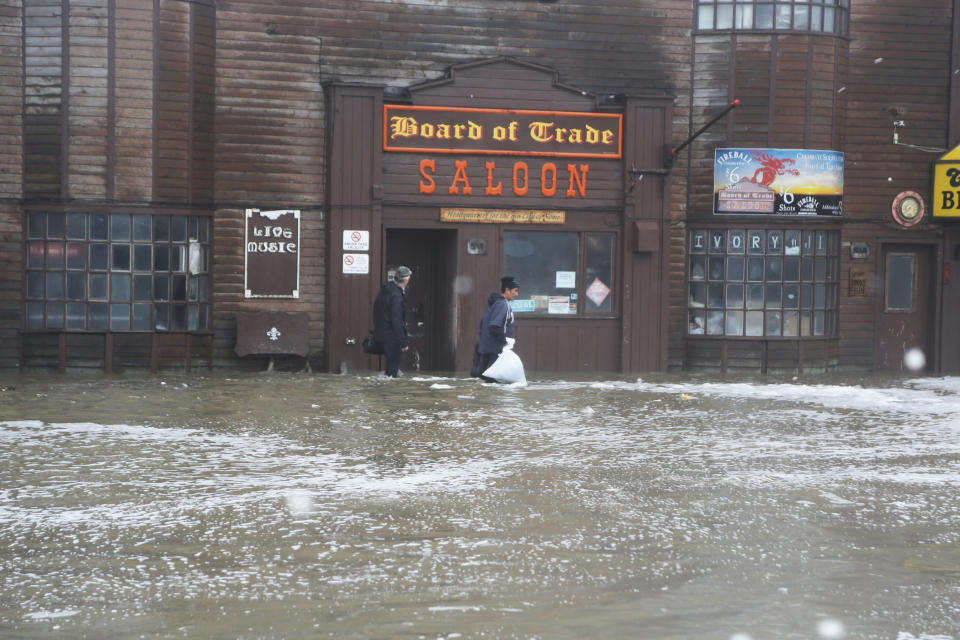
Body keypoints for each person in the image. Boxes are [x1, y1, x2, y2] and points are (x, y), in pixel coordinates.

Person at [476, 276, 519, 382]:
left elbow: (482, 324)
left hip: (486, 347)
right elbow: (495, 326)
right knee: (492, 380)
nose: (517, 294)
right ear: (507, 290)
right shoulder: (503, 304)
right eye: (515, 291)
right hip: (496, 349)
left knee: (484, 379)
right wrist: (504, 343)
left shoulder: (494, 303)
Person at [372, 265, 411, 377]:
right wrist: (403, 342)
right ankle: (389, 392)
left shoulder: (386, 289)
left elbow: (376, 311)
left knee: (391, 368)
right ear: (405, 280)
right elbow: (396, 320)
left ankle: (386, 387)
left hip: (382, 333)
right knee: (392, 370)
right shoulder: (396, 296)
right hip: (392, 336)